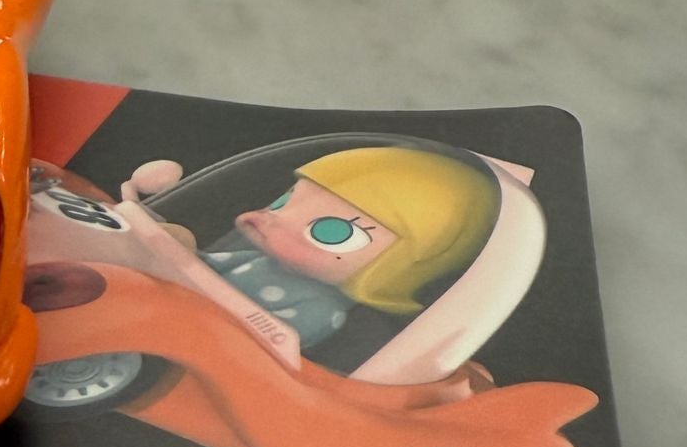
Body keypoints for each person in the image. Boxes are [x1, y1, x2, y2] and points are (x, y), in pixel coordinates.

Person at [198, 144, 498, 352]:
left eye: (331, 231)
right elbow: (200, 267)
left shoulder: (317, 308)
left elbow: (250, 347)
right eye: (283, 202)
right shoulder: (255, 261)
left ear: (394, 269)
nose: (269, 219)